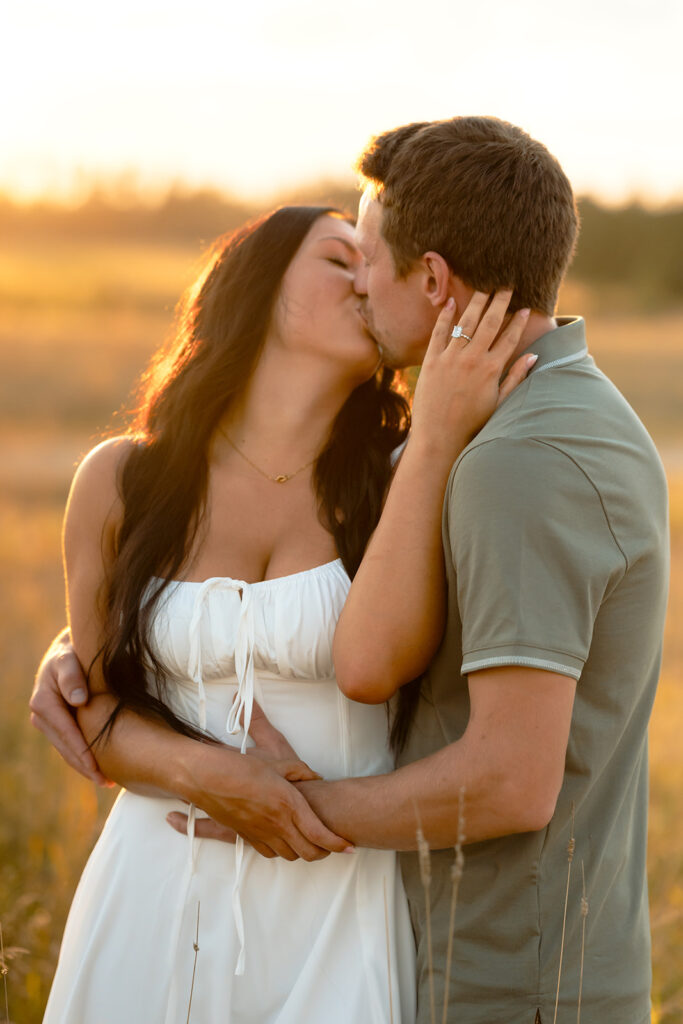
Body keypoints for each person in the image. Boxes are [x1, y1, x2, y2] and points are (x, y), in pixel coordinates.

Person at [33, 116, 670, 1023]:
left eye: (365, 257)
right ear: (255, 291)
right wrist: (95, 669)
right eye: (340, 259)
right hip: (161, 871)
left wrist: (438, 433)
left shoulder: (418, 473)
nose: (365, 277)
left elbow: (372, 669)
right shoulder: (122, 478)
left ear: (434, 278)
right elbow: (97, 700)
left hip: (341, 900)